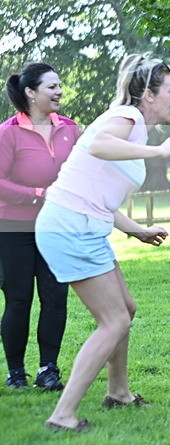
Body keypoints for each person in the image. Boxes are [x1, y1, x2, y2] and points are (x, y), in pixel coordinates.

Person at [34, 54, 170, 432]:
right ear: (149, 95)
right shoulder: (128, 118)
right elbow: (99, 145)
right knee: (113, 321)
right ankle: (62, 414)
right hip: (71, 228)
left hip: (81, 223)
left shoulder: (133, 126)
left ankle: (119, 392)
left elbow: (97, 193)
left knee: (125, 309)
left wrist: (135, 229)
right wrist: (159, 152)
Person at [0, 63, 80, 391]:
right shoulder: (8, 132)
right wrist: (37, 195)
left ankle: (49, 369)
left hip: (57, 227)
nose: (59, 91)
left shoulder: (70, 129)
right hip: (14, 228)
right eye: (52, 86)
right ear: (31, 93)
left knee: (55, 296)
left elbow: (82, 172)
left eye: (60, 85)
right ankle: (16, 372)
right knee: (19, 299)